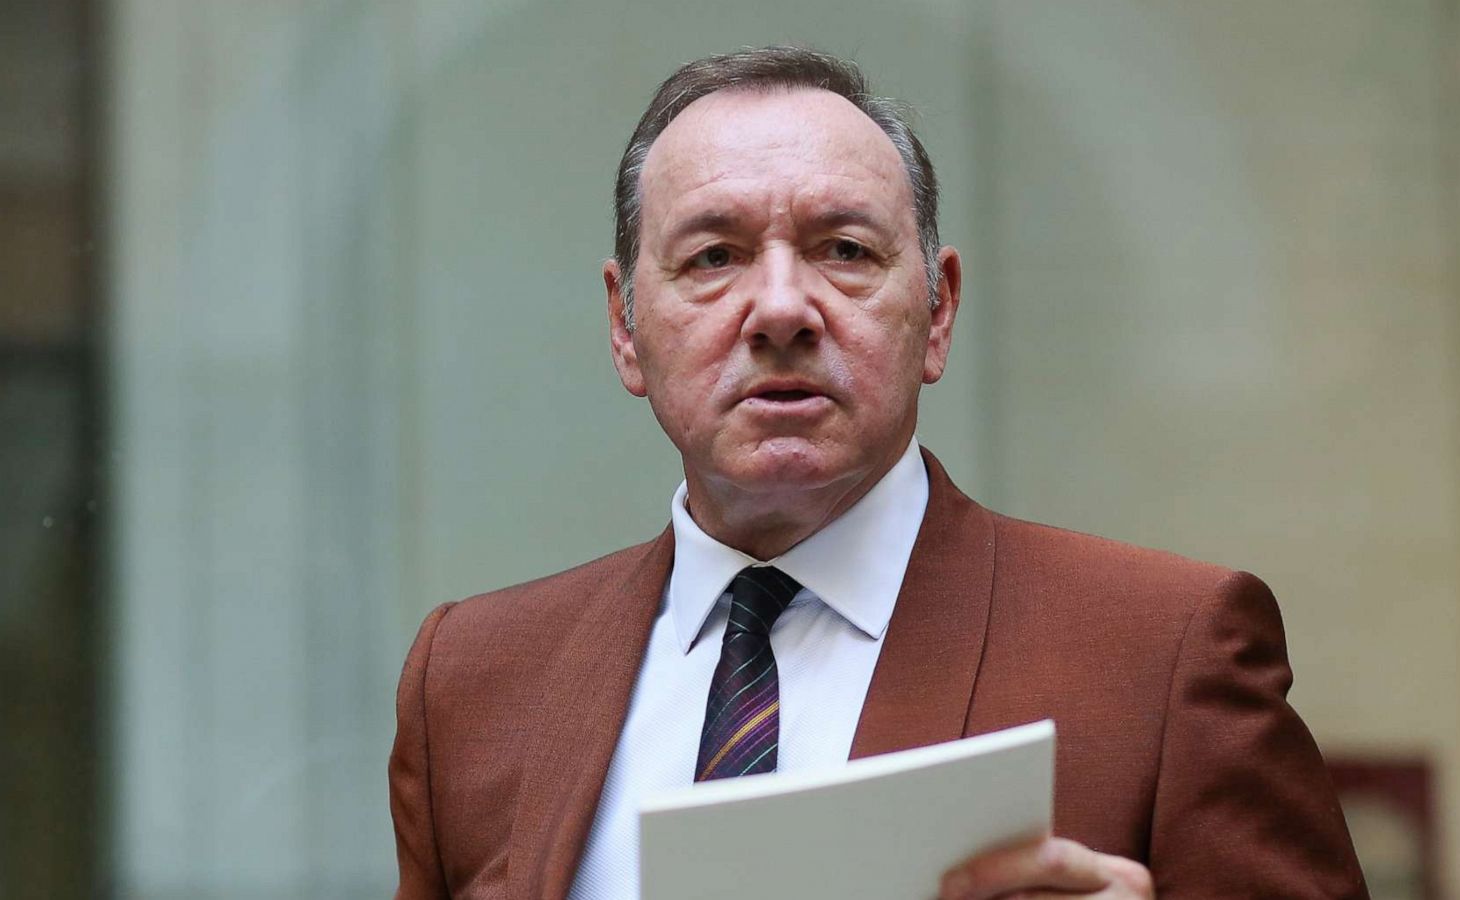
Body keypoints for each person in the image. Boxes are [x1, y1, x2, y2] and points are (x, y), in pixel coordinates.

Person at [388, 46, 1368, 900]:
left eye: (844, 250)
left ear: (936, 312)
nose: (780, 309)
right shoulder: (474, 681)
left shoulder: (1166, 654)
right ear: (624, 327)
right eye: (714, 256)